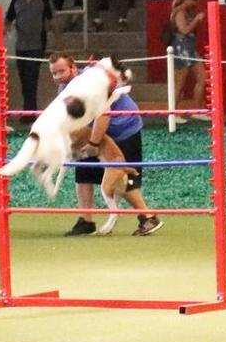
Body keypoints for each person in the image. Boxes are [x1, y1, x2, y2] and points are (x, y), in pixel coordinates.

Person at [48, 52, 164, 236]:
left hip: (124, 128)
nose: (58, 77)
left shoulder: (89, 84)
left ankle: (148, 216)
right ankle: (86, 220)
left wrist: (93, 144)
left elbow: (104, 115)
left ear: (74, 68)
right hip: (100, 133)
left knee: (123, 177)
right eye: (54, 73)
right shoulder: (65, 89)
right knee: (83, 169)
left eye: (62, 71)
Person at [5, 0, 53, 115]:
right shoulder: (16, 1)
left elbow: (50, 22)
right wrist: (6, 33)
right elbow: (8, 20)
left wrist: (55, 43)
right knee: (24, 80)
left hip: (37, 45)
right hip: (21, 46)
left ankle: (30, 111)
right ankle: (28, 110)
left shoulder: (42, 0)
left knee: (32, 79)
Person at [169, 0, 210, 123]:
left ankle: (197, 110)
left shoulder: (186, 12)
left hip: (190, 49)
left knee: (202, 77)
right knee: (179, 83)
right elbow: (184, 30)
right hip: (181, 49)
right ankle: (173, 114)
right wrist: (197, 20)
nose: (195, 3)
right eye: (193, 0)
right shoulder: (179, 12)